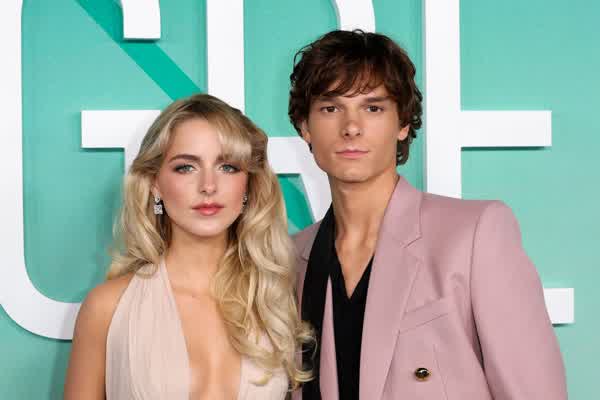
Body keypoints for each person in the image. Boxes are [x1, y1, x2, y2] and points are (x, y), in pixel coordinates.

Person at [288, 30, 567, 400]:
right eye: (331, 108)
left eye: (373, 108)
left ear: (403, 124)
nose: (351, 127)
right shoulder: (290, 259)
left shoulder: (475, 234)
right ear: (305, 126)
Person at [64, 93, 312, 399]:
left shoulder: (276, 303)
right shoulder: (107, 308)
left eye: (228, 167)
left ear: (248, 184)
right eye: (186, 167)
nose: (208, 186)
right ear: (155, 183)